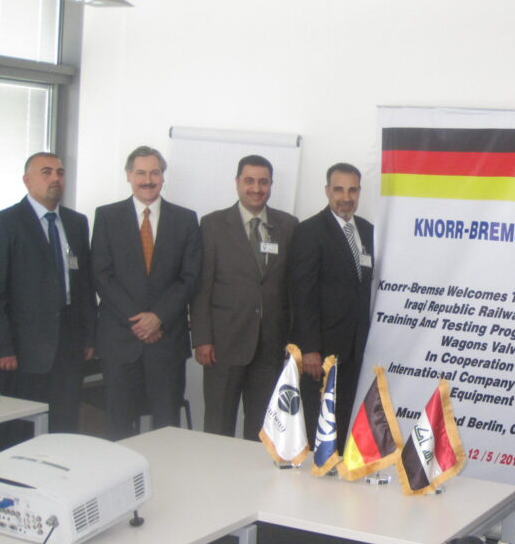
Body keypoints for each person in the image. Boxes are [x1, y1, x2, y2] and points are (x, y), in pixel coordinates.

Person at [0, 152, 97, 437]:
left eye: (60, 172)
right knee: (22, 430)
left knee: (64, 425)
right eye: (46, 172)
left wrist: (89, 337)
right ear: (27, 180)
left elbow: (85, 286)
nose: (55, 178)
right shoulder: (3, 223)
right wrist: (2, 347)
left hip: (69, 345)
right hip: (23, 350)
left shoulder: (76, 222)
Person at [91, 146, 201, 440]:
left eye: (155, 173)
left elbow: (189, 277)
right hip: (120, 341)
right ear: (129, 175)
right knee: (118, 426)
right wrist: (139, 321)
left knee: (166, 426)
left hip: (166, 341)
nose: (148, 180)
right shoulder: (107, 216)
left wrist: (158, 317)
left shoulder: (186, 219)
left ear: (163, 177)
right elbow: (102, 276)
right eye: (141, 173)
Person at [190, 155, 297, 440]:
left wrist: (291, 341)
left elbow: (291, 287)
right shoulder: (212, 224)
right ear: (237, 182)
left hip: (271, 345)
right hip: (223, 343)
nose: (256, 188)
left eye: (263, 182)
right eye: (249, 181)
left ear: (271, 184)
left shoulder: (288, 226)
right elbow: (202, 286)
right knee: (218, 423)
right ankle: (215, 469)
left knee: (262, 427)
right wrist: (202, 338)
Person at [289, 163, 374, 453]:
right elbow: (302, 294)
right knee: (319, 425)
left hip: (358, 350)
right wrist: (310, 348)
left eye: (352, 190)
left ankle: (338, 474)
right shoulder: (309, 231)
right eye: (339, 189)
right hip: (322, 352)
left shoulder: (368, 231)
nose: (346, 197)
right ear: (327, 191)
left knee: (346, 420)